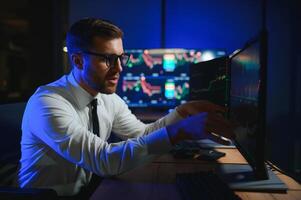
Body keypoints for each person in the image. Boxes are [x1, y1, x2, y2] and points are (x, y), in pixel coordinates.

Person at [18, 18, 234, 198]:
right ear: (78, 61)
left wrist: (182, 112)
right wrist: (179, 131)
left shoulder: (107, 99)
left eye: (121, 58)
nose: (119, 68)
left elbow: (142, 134)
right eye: (108, 59)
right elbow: (104, 161)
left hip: (90, 193)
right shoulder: (47, 103)